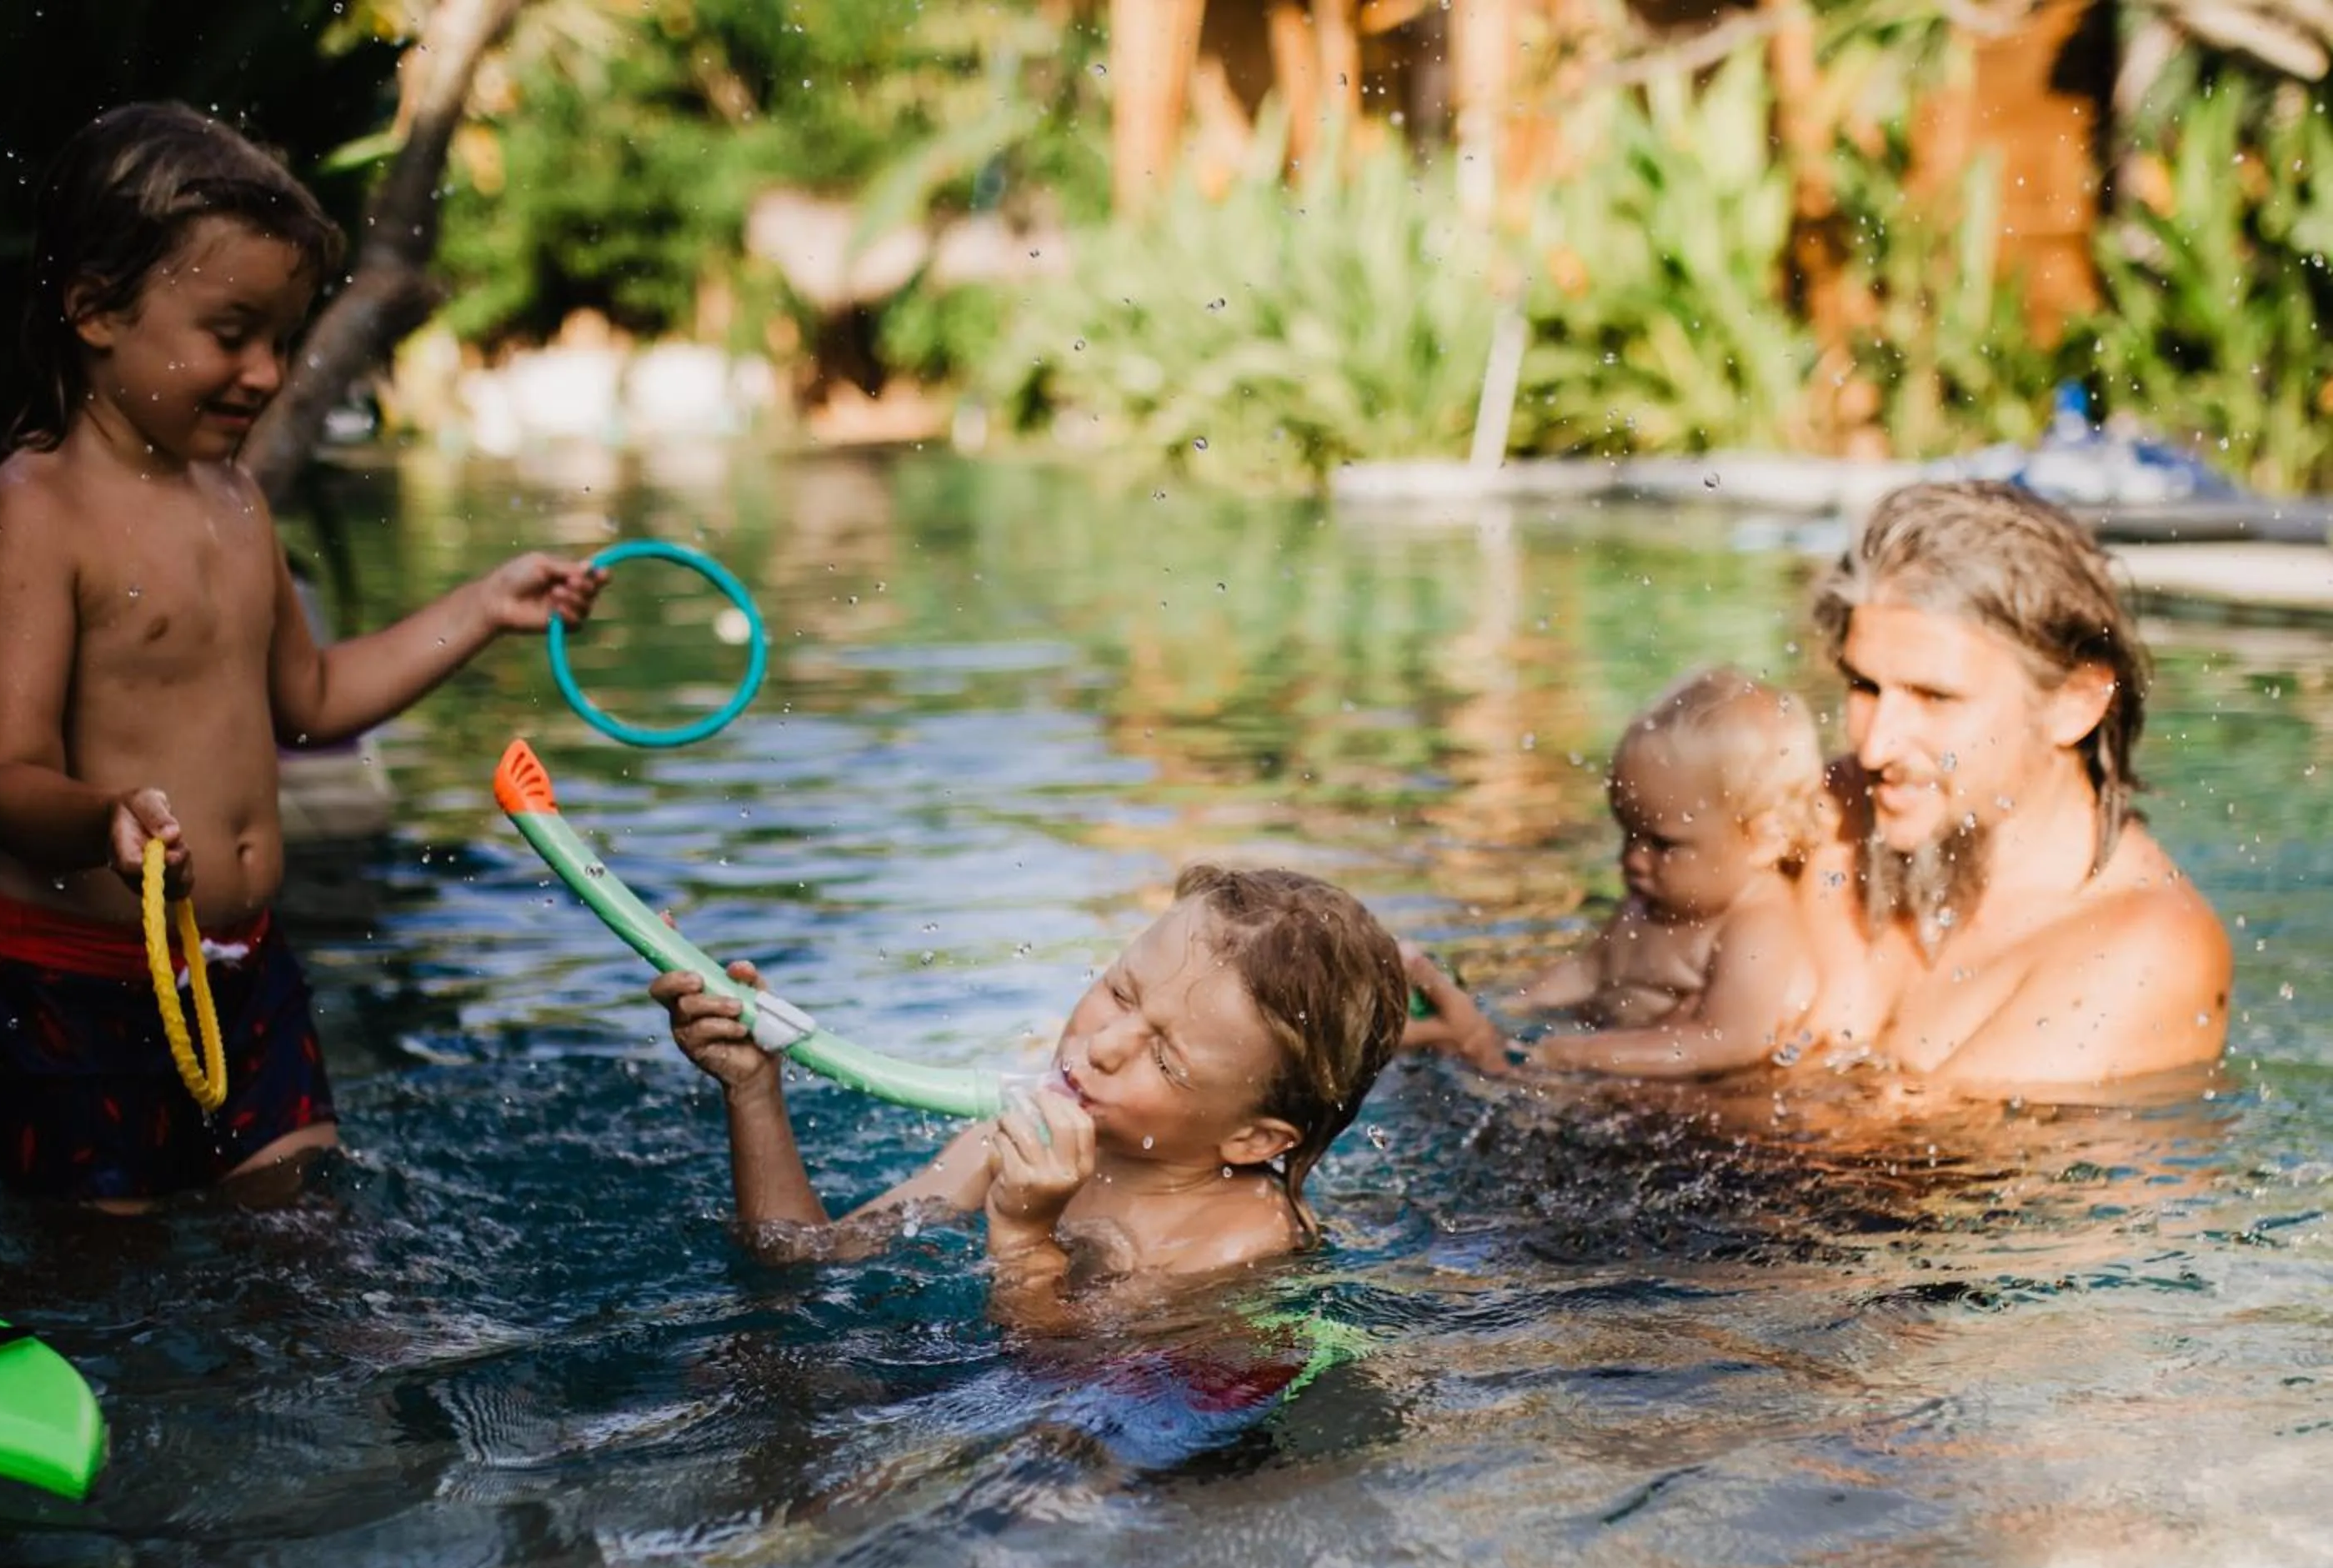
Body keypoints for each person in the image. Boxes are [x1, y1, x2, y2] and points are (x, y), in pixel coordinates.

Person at [0, 103, 604, 1203]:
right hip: (77, 982)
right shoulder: (39, 511)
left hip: (249, 971)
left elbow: (311, 699)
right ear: (95, 310)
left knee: (304, 1246)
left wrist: (486, 605)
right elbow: (4, 777)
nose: (265, 372)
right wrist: (99, 816)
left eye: (283, 340)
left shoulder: (237, 501)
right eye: (230, 332)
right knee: (109, 1276)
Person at [652, 865, 1409, 1325]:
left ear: (1252, 1140)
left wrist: (1022, 1240)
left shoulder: (1240, 1242)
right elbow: (805, 1267)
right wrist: (754, 1091)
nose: (1103, 1045)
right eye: (1118, 991)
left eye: (1167, 1060)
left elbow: (1064, 1396)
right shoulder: (1007, 1139)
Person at [1787, 481, 2230, 1090]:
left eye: (1933, 696)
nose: (1875, 746)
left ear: (2074, 703)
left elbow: (1913, 1171)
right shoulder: (1837, 809)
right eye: (1865, 687)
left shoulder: (2145, 952)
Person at [1403, 666, 1825, 1078]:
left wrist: (1575, 1055)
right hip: (1610, 1059)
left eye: (1663, 844)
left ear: (1767, 837)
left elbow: (1729, 1040)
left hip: (1698, 1108)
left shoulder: (1756, 926)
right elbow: (1587, 973)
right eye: (1629, 834)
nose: (1634, 860)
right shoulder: (1646, 903)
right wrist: (1506, 1008)